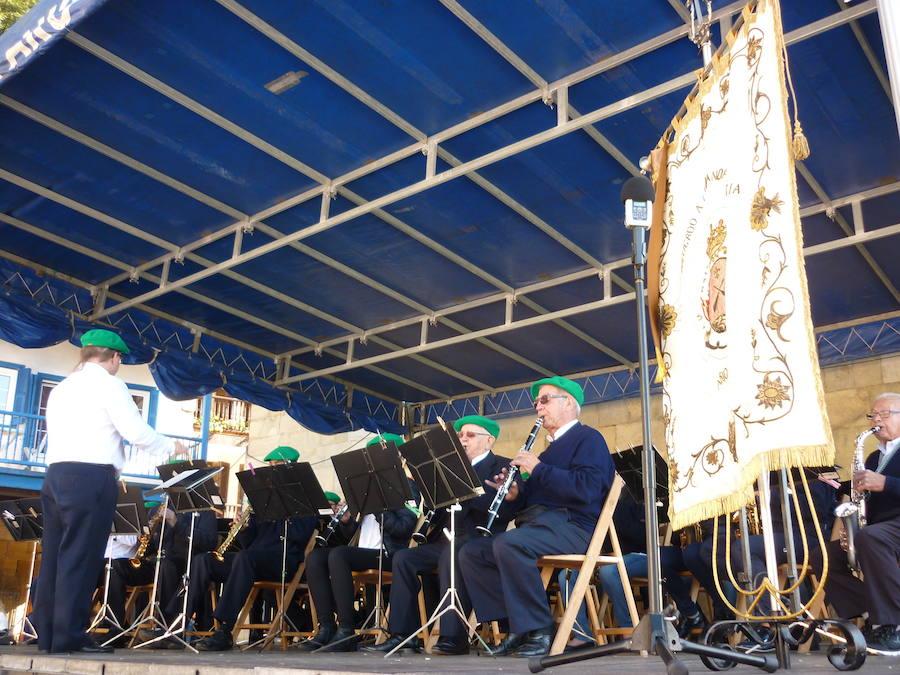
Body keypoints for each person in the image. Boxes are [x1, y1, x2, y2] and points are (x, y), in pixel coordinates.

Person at [33, 329, 185, 654]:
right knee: (82, 557)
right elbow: (134, 431)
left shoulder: (63, 387)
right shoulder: (110, 383)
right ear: (115, 358)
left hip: (55, 475)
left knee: (55, 559)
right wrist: (171, 447)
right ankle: (69, 636)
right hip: (90, 477)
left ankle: (47, 636)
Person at [458, 376, 615, 657]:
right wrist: (515, 492)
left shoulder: (588, 438)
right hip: (542, 526)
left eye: (544, 400)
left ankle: (540, 630)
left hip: (574, 526)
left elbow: (588, 489)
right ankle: (516, 628)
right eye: (536, 403)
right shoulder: (549, 450)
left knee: (509, 544)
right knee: (472, 552)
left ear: (568, 401)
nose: (538, 408)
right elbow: (533, 500)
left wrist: (538, 467)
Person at [362, 416, 515, 656]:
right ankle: (403, 634)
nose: (463, 439)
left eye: (470, 435)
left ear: (489, 440)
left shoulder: (504, 466)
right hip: (446, 538)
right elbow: (431, 510)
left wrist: (464, 485)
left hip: (479, 540)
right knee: (404, 558)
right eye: (460, 435)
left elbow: (505, 509)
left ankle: (453, 637)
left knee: (450, 554)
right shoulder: (447, 466)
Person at [298, 433, 419, 653]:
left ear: (397, 457)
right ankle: (326, 626)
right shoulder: (363, 487)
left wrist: (378, 507)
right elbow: (350, 536)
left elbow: (404, 528)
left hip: (391, 554)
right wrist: (346, 522)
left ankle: (347, 630)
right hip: (363, 552)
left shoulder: (408, 487)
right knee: (315, 556)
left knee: (340, 555)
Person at [192, 446, 318, 651]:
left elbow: (299, 536)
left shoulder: (305, 499)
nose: (271, 471)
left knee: (245, 558)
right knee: (205, 560)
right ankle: (181, 622)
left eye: (276, 466)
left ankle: (225, 630)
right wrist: (245, 529)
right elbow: (250, 544)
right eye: (269, 466)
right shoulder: (262, 500)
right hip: (254, 560)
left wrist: (282, 511)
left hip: (283, 560)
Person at [813, 393, 900, 653]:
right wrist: (841, 485)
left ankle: (893, 625)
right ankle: (871, 614)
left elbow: (883, 484)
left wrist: (886, 484)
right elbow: (866, 489)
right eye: (873, 415)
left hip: (889, 527)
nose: (876, 420)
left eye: (884, 414)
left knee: (870, 538)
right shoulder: (874, 457)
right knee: (823, 557)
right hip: (879, 528)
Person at [110, 501, 216, 647]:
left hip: (184, 564)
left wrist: (175, 522)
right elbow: (150, 548)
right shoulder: (158, 509)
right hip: (154, 563)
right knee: (115, 566)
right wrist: (146, 537)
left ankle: (165, 627)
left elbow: (209, 542)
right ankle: (115, 628)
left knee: (167, 565)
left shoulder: (205, 511)